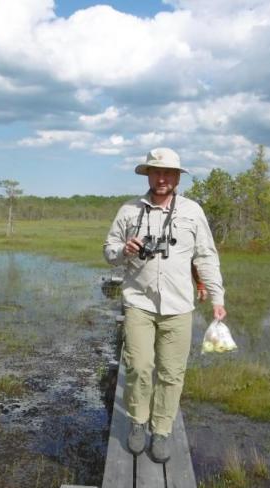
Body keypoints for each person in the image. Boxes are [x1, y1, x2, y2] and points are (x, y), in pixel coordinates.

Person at [103, 148, 226, 463]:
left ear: (177, 177)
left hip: (179, 306)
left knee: (172, 373)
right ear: (147, 174)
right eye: (156, 172)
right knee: (139, 366)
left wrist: (217, 297)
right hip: (139, 303)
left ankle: (161, 430)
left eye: (168, 173)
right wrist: (124, 250)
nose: (162, 178)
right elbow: (109, 250)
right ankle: (137, 421)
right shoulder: (129, 210)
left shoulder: (192, 211)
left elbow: (206, 256)